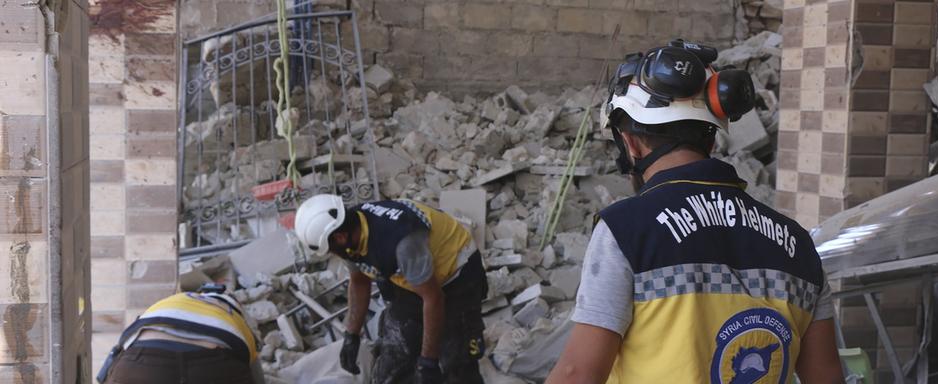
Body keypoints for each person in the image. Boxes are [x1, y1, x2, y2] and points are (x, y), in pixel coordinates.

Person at [546, 39, 844, 384]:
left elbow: (577, 375)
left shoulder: (626, 231)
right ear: (712, 139)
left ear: (631, 142)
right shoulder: (799, 245)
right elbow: (827, 377)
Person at [295, 195, 487, 384]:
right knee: (395, 355)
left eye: (330, 249)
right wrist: (351, 335)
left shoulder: (400, 243)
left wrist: (428, 361)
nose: (332, 254)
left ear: (340, 237)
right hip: (412, 278)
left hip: (457, 277)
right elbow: (359, 282)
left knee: (456, 362)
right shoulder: (351, 231)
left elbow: (433, 299)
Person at [97, 283, 264, 384]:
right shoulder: (234, 315)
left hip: (140, 364)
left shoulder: (168, 304)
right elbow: (257, 377)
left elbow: (110, 364)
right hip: (212, 368)